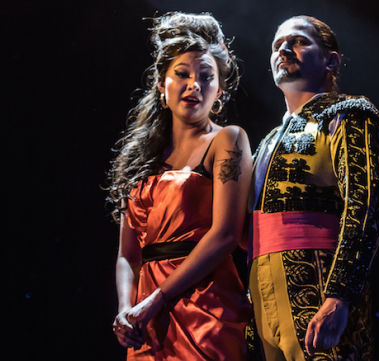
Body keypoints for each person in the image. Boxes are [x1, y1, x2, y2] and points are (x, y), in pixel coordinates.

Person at [248, 15, 379, 361]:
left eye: (299, 41)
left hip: (319, 286)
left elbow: (367, 207)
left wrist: (340, 296)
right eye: (276, 45)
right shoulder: (266, 142)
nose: (283, 49)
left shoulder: (350, 114)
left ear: (331, 60)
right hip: (263, 297)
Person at [106, 12, 253, 361]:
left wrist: (153, 300)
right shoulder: (141, 158)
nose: (194, 85)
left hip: (205, 308)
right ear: (161, 85)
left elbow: (226, 234)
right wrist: (126, 310)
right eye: (182, 74)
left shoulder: (227, 140)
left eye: (206, 77)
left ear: (219, 90)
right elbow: (128, 254)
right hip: (145, 321)